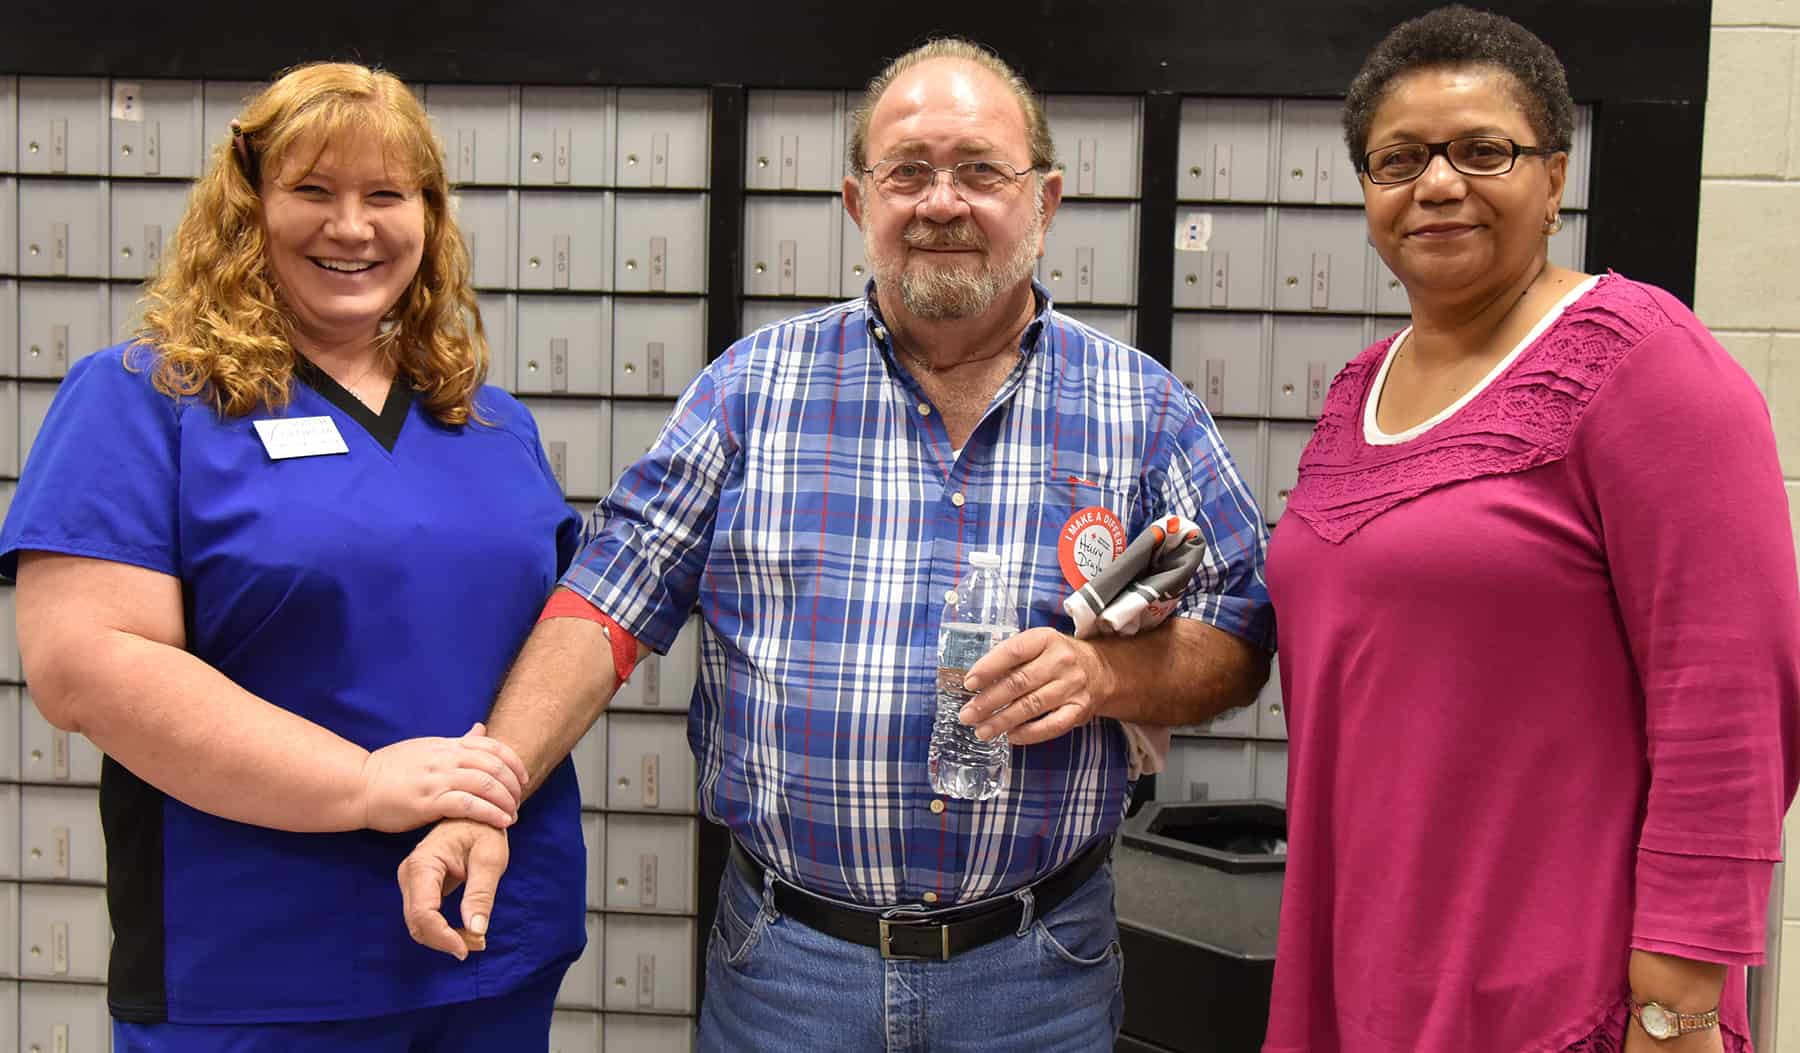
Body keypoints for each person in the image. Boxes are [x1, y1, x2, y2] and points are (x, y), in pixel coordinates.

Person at [395, 37, 1274, 1050]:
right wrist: (487, 792)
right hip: (787, 968)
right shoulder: (750, 392)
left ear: (1045, 200)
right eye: (908, 172)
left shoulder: (1144, 409)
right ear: (859, 204)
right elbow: (607, 599)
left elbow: (1238, 635)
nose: (942, 202)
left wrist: (1103, 676)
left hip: (1038, 970)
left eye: (981, 171)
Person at [1, 62, 586, 1050]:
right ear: (249, 209)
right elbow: (85, 669)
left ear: (429, 219)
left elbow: (556, 646)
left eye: (385, 196)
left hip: (490, 936)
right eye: (312, 191)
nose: (350, 227)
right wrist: (360, 786)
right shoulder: (146, 401)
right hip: (253, 964)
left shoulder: (490, 423)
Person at [1261, 7, 1800, 1051]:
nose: (1439, 184)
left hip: (1562, 993)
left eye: (1483, 150)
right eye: (1399, 158)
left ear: (1554, 178)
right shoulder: (1357, 392)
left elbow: (1732, 706)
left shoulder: (1648, 368)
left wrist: (1677, 1005)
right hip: (1370, 959)